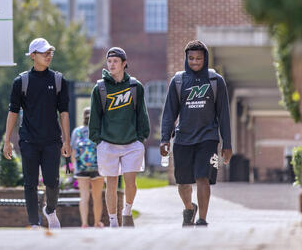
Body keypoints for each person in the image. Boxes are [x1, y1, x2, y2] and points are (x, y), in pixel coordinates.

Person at [159, 40, 232, 227]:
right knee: (183, 182)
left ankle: (202, 219)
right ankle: (190, 208)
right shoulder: (178, 81)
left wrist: (227, 144)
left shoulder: (216, 81)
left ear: (205, 58)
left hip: (208, 138)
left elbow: (224, 115)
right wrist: (164, 139)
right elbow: (169, 113)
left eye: (199, 58)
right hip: (183, 138)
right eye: (191, 58)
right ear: (186, 58)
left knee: (203, 177)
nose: (195, 62)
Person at [3, 37, 71, 229]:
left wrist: (67, 141)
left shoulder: (59, 81)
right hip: (29, 140)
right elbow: (13, 112)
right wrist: (7, 141)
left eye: (50, 52)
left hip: (52, 141)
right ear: (33, 56)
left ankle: (50, 210)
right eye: (44, 53)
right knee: (30, 184)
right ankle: (33, 222)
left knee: (52, 182)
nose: (48, 56)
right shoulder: (21, 81)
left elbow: (64, 113)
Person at [89, 47, 150, 228]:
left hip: (132, 143)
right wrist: (97, 139)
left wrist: (141, 137)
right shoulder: (100, 88)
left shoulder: (134, 86)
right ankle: (114, 221)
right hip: (107, 143)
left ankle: (127, 211)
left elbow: (142, 114)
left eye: (116, 61)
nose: (112, 64)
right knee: (111, 184)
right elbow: (95, 116)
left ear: (124, 64)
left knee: (131, 182)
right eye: (109, 61)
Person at [71, 107, 104, 228]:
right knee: (97, 197)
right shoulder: (99, 130)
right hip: (98, 168)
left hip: (82, 168)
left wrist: (76, 167)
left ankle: (84, 223)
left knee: (84, 196)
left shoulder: (77, 132)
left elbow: (73, 151)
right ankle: (97, 222)